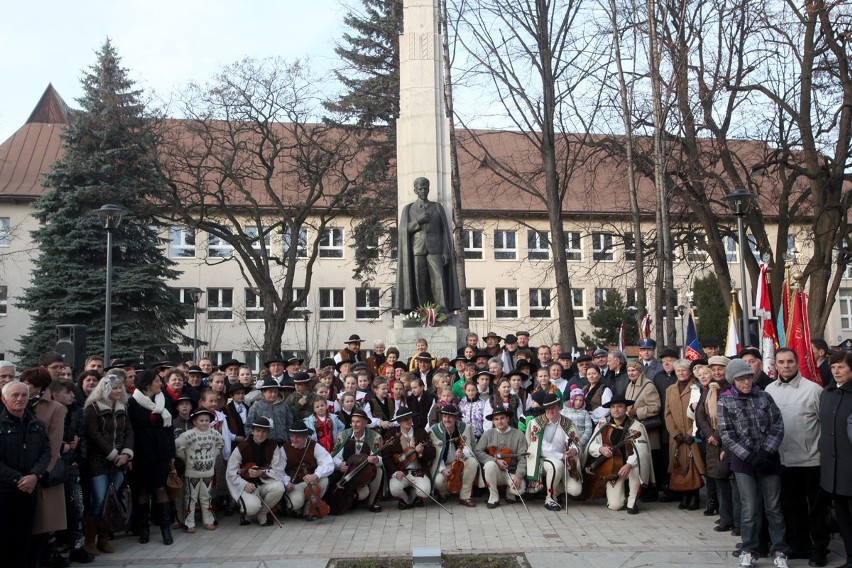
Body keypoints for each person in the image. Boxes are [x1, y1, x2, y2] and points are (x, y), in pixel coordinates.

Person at [717, 358, 789, 568]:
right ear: (733, 381)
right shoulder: (725, 401)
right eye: (740, 379)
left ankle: (779, 550)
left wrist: (766, 452)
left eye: (748, 377)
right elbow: (727, 434)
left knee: (774, 507)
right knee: (749, 508)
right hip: (744, 462)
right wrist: (749, 456)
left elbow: (778, 425)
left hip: (768, 460)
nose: (746, 383)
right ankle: (749, 549)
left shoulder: (765, 397)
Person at [765, 348, 828, 566]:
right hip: (782, 461)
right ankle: (799, 545)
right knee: (791, 508)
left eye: (790, 361)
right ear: (776, 364)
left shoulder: (814, 390)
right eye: (781, 362)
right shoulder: (769, 389)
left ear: (797, 362)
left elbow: (824, 424)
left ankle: (819, 549)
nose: (786, 365)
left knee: (816, 510)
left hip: (811, 460)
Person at [0, 381, 52, 568]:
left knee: (24, 538)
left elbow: (46, 451)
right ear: (4, 399)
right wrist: (17, 479)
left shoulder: (36, 424)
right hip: (4, 491)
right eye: (15, 395)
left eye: (23, 395)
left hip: (29, 490)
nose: (20, 399)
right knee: (4, 538)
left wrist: (34, 476)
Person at [21, 367, 68, 566]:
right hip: (19, 471)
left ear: (39, 387)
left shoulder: (55, 408)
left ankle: (42, 559)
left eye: (29, 384)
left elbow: (54, 443)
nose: (25, 387)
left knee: (43, 522)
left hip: (43, 473)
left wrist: (39, 472)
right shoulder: (17, 402)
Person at [83, 376, 134, 555]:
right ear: (105, 389)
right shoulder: (93, 408)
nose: (118, 391)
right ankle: (89, 540)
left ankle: (103, 539)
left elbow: (128, 432)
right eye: (114, 388)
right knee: (98, 500)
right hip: (99, 460)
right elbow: (94, 435)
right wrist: (113, 455)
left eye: (120, 388)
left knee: (110, 501)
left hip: (120, 461)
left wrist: (127, 453)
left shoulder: (123, 408)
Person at [395, 176, 461, 313]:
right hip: (417, 249)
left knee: (439, 279)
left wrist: (445, 251)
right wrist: (418, 221)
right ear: (415, 190)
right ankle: (422, 311)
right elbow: (403, 230)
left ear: (429, 189)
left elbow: (444, 232)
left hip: (435, 249)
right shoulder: (408, 209)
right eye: (420, 189)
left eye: (425, 188)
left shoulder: (437, 207)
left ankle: (442, 311)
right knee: (420, 281)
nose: (423, 191)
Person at [127, 370, 176, 546]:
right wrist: (129, 455)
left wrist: (171, 454)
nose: (161, 384)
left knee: (160, 488)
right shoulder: (132, 402)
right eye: (157, 381)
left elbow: (169, 430)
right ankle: (143, 529)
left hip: (160, 452)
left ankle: (165, 529)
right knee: (141, 491)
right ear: (147, 384)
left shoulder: (163, 400)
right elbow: (129, 430)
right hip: (140, 453)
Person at [585, 395, 652, 513]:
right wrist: (600, 448)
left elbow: (642, 451)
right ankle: (613, 496)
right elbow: (591, 446)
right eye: (613, 407)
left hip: (629, 468)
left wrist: (629, 464)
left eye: (620, 407)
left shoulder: (636, 426)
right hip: (612, 470)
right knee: (615, 506)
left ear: (626, 408)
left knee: (636, 466)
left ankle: (632, 501)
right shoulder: (603, 424)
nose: (616, 410)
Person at [50, 378, 92, 563]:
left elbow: (83, 436)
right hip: (53, 469)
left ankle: (77, 547)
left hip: (72, 466)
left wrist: (79, 456)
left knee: (77, 506)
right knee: (54, 511)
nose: (72, 395)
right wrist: (60, 446)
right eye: (68, 392)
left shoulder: (76, 412)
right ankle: (53, 550)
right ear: (55, 395)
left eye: (73, 392)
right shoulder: (48, 411)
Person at [818, 350, 852, 568]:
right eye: (833, 367)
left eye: (841, 366)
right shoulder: (827, 393)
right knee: (843, 518)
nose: (836, 371)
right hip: (834, 468)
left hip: (850, 466)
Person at [524, 393, 582, 511]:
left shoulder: (568, 423)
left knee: (576, 490)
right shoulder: (536, 423)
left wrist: (574, 450)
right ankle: (549, 498)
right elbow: (542, 448)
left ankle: (554, 491)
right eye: (547, 408)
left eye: (553, 407)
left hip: (566, 460)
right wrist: (562, 456)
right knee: (556, 465)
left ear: (559, 407)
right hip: (542, 460)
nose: (550, 411)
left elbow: (576, 443)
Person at [226, 416, 287, 526]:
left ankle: (262, 513)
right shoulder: (242, 447)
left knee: (279, 487)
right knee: (252, 507)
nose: (260, 434)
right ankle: (248, 513)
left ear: (268, 433)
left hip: (264, 483)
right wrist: (244, 484)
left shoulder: (273, 446)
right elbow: (231, 472)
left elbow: (278, 470)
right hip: (248, 485)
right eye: (258, 431)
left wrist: (262, 473)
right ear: (253, 431)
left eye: (264, 431)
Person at [175, 408, 225, 533]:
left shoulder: (214, 434)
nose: (204, 423)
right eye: (201, 420)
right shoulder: (188, 435)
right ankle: (189, 522)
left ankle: (208, 520)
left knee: (206, 497)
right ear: (195, 422)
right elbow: (177, 446)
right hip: (192, 472)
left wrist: (214, 454)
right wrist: (185, 459)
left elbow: (221, 442)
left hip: (208, 471)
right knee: (191, 497)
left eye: (206, 420)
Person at [664, 359, 704, 511]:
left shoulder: (696, 388)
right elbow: (667, 414)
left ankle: (694, 496)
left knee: (693, 466)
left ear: (689, 372)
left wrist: (689, 433)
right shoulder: (670, 390)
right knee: (679, 466)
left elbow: (699, 412)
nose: (681, 373)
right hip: (677, 437)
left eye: (684, 370)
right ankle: (684, 496)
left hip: (692, 434)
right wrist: (675, 433)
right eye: (678, 371)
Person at [329, 408, 385, 513]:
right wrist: (340, 464)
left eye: (358, 422)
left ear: (365, 423)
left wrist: (375, 459)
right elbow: (335, 456)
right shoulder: (343, 435)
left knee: (379, 471)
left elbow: (380, 459)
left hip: (365, 473)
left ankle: (372, 501)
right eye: (353, 421)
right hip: (348, 473)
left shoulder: (375, 437)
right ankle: (350, 498)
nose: (354, 424)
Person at [623, 361, 662, 501]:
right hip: (634, 429)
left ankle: (651, 491)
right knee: (638, 460)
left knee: (649, 461)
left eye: (634, 370)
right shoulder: (630, 385)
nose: (631, 373)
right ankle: (641, 490)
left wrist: (637, 411)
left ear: (640, 371)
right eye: (629, 371)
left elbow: (655, 407)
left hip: (647, 430)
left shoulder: (648, 386)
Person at [381, 407, 435, 509]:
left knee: (425, 491)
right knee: (394, 489)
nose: (408, 421)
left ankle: (414, 498)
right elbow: (386, 456)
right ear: (398, 421)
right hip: (401, 471)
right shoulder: (392, 435)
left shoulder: (420, 432)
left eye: (409, 418)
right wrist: (395, 472)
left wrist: (422, 452)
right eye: (404, 419)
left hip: (418, 471)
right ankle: (406, 500)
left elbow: (432, 452)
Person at [281, 420, 334, 521]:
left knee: (324, 480)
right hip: (294, 484)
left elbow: (328, 463)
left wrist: (316, 475)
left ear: (305, 436)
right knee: (295, 504)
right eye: (292, 436)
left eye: (298, 437)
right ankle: (295, 507)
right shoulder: (285, 448)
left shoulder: (314, 446)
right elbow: (279, 469)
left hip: (310, 482)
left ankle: (310, 507)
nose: (294, 439)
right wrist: (286, 482)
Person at [475, 407, 527, 508]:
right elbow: (477, 451)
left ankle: (510, 491)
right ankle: (493, 496)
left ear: (508, 418)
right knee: (489, 465)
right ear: (493, 421)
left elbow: (523, 458)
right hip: (495, 473)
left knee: (520, 490)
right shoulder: (488, 434)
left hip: (511, 472)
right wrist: (495, 460)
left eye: (502, 418)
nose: (499, 421)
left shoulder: (519, 434)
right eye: (496, 419)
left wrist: (519, 475)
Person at [430, 404, 478, 507]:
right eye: (444, 416)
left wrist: (462, 453)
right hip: (444, 465)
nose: (447, 419)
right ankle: (443, 494)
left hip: (460, 462)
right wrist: (442, 469)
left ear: (455, 417)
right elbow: (435, 455)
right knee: (439, 480)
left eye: (450, 416)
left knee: (473, 463)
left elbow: (470, 447)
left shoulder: (464, 428)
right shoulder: (434, 431)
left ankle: (465, 496)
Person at [246, 378, 293, 445]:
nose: (273, 394)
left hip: (282, 442)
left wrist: (288, 438)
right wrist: (254, 441)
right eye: (270, 392)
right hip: (263, 444)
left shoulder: (284, 405)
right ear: (263, 392)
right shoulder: (256, 406)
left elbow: (289, 423)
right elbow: (248, 425)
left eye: (275, 392)